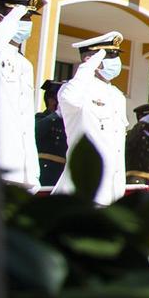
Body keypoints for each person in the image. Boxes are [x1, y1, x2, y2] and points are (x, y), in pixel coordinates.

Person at [54, 32, 129, 204]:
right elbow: (69, 99)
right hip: (82, 190)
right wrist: (87, 68)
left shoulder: (117, 95)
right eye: (109, 55)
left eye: (116, 55)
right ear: (91, 60)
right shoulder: (75, 90)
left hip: (111, 192)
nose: (115, 61)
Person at [0, 0, 42, 187]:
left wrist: (32, 171)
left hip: (20, 166)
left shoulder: (24, 64)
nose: (27, 23)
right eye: (23, 17)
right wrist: (11, 19)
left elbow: (25, 118)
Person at [35, 79, 68, 187]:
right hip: (45, 170)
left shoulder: (67, 122)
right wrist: (56, 115)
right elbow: (37, 130)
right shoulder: (40, 117)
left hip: (62, 172)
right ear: (51, 100)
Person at [126, 103, 149, 187]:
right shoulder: (134, 134)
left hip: (148, 182)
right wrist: (142, 123)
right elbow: (132, 139)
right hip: (135, 181)